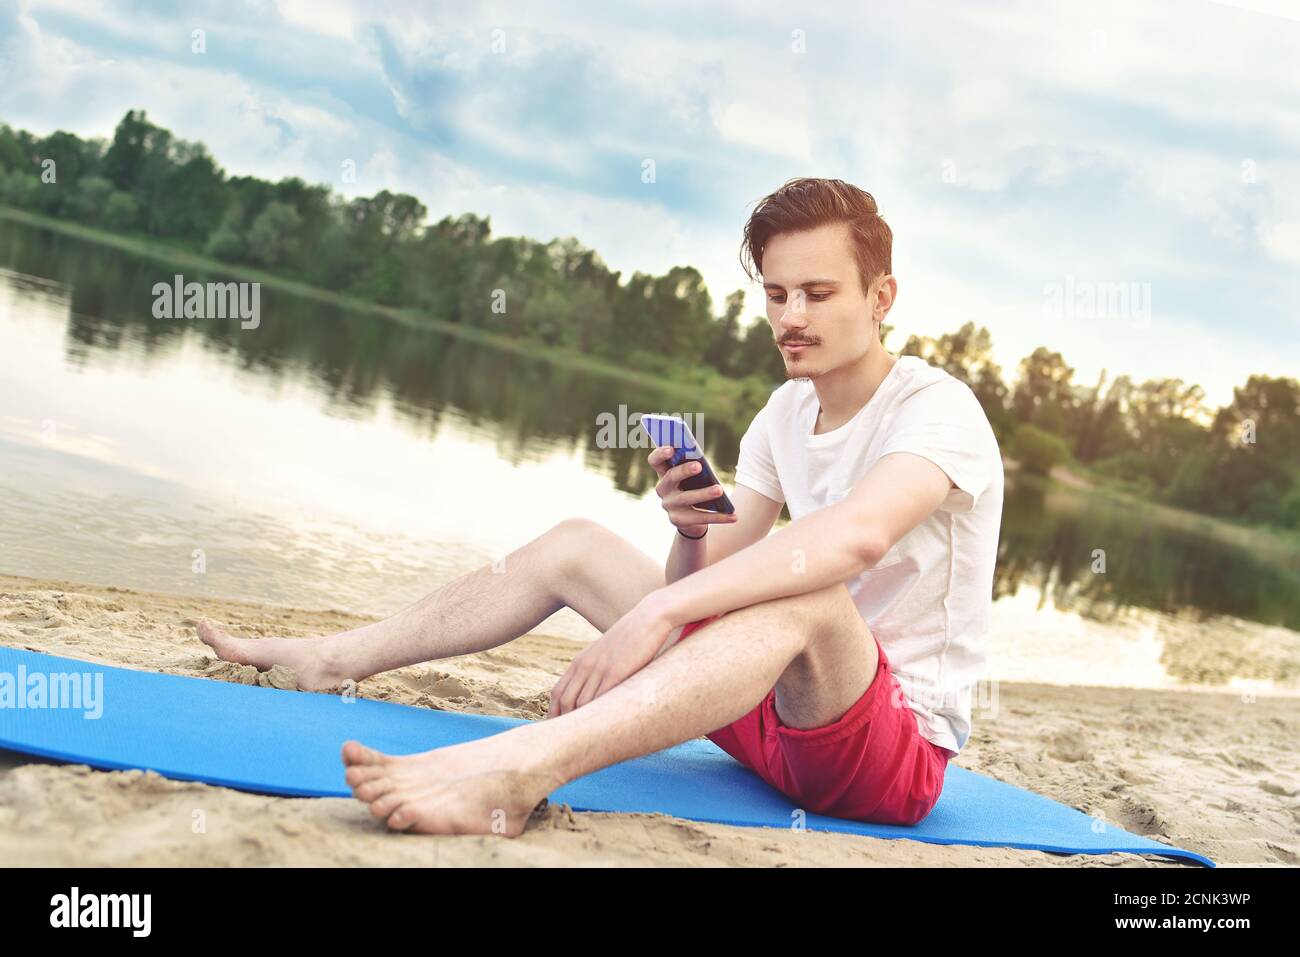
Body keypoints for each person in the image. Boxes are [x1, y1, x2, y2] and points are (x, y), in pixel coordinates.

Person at [199, 177, 1004, 836]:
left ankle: (522, 769)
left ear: (880, 295)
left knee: (809, 593)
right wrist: (689, 532)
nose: (792, 318)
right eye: (778, 294)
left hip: (884, 756)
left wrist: (659, 617)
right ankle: (335, 659)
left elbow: (854, 538)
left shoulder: (938, 411)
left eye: (819, 293)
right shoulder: (784, 413)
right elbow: (699, 579)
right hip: (763, 713)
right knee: (578, 543)